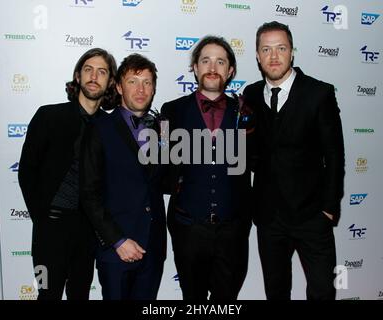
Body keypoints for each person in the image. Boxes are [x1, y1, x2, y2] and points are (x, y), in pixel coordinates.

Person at [243, 21, 345, 300]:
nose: (274, 56)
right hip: (269, 217)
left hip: (312, 214)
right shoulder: (250, 94)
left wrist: (329, 207)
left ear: (292, 53)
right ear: (257, 55)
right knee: (276, 292)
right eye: (266, 49)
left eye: (281, 48)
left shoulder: (319, 93)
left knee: (322, 291)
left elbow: (335, 154)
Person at [18, 48, 119, 300]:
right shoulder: (48, 116)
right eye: (88, 70)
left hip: (87, 232)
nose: (94, 76)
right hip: (49, 231)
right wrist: (42, 218)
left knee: (80, 295)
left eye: (102, 72)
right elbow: (27, 172)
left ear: (110, 83)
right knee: (46, 294)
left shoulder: (110, 128)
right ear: (77, 76)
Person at [161, 36, 253, 300]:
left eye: (220, 61)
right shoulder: (171, 111)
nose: (213, 67)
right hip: (188, 228)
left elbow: (258, 159)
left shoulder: (246, 112)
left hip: (233, 230)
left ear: (230, 71)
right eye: (206, 60)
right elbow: (162, 161)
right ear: (195, 67)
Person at [80, 53, 166, 300]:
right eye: (133, 81)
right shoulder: (98, 128)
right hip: (116, 251)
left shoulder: (162, 128)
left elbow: (166, 180)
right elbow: (89, 194)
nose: (141, 89)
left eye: (147, 82)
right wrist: (117, 241)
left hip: (152, 247)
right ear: (118, 86)